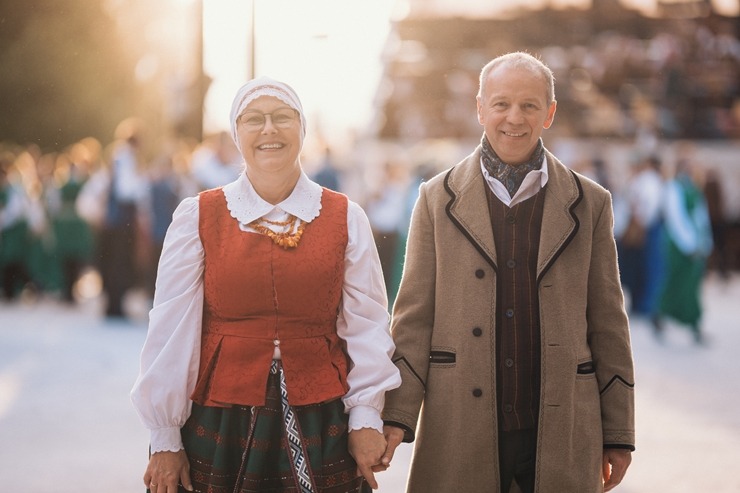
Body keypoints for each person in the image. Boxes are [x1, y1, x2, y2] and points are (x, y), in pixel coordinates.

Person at [130, 76, 401, 493]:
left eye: (282, 117)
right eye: (254, 119)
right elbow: (170, 329)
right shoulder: (198, 216)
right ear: (237, 134)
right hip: (222, 412)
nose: (269, 129)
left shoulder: (345, 216)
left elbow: (366, 322)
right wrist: (164, 437)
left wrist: (365, 415)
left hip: (322, 412)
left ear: (302, 128)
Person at [380, 52, 635, 492]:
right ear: (480, 108)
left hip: (562, 430)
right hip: (459, 425)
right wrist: (395, 417)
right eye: (501, 104)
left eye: (529, 105)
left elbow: (608, 322)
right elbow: (413, 320)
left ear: (549, 113)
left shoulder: (591, 203)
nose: (514, 118)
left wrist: (618, 433)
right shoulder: (435, 199)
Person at [654, 158, 713, 344]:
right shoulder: (673, 187)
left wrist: (704, 241)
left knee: (691, 285)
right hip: (679, 246)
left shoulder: (693, 188)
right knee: (676, 281)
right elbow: (676, 218)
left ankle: (694, 323)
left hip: (695, 243)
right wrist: (689, 244)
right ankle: (661, 315)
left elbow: (701, 216)